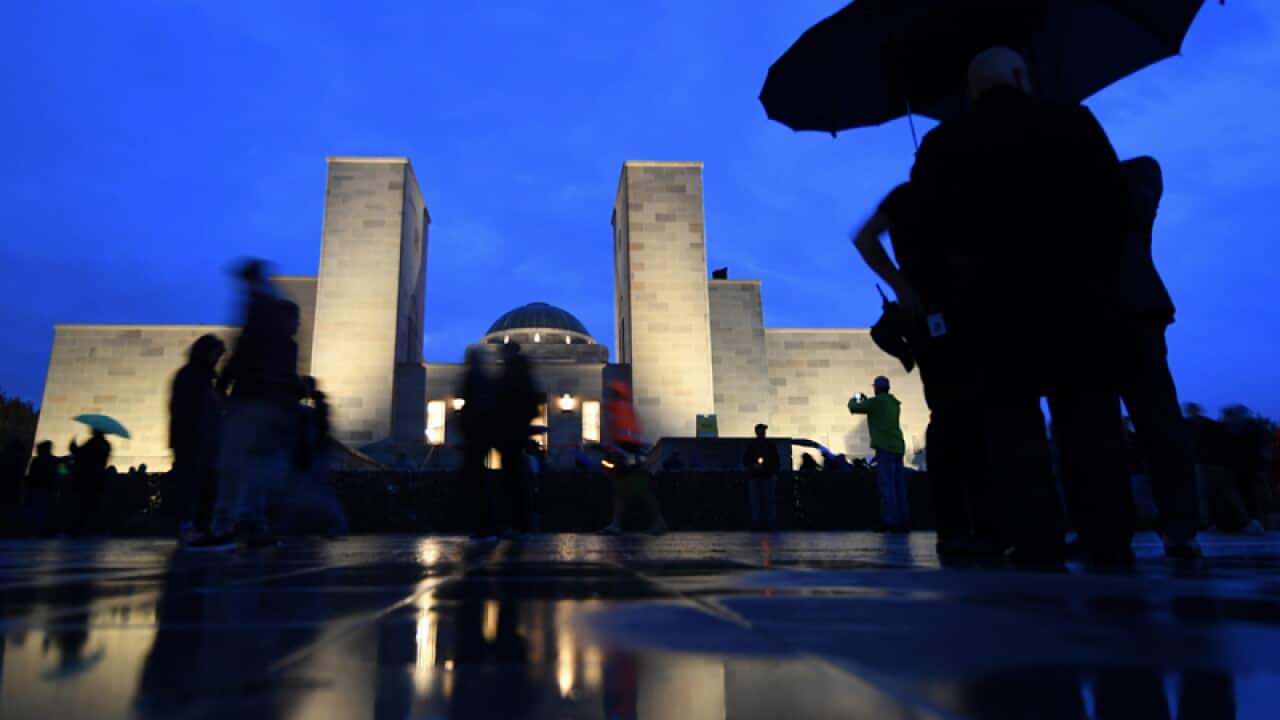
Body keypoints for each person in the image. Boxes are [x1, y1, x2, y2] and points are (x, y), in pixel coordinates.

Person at [909, 47, 1134, 563]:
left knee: (1012, 429)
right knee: (1088, 420)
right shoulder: (1071, 122)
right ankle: (1107, 533)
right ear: (1018, 75)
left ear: (972, 89)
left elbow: (921, 238)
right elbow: (1115, 205)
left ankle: (1035, 536)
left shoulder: (944, 144)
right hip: (1075, 302)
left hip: (991, 313)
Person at [853, 182, 1002, 554]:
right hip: (959, 318)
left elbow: (866, 239)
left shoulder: (909, 196)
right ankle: (983, 523)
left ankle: (956, 527)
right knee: (971, 418)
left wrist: (904, 290)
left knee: (950, 420)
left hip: (935, 320)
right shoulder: (964, 195)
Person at [1107, 156, 1201, 557]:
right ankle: (1108, 525)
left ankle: (1178, 522)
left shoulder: (1130, 176)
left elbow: (1144, 186)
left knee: (1157, 419)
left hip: (1130, 308)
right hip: (1091, 313)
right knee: (1098, 427)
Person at [202, 260, 303, 549]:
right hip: (266, 404)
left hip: (252, 402)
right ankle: (248, 522)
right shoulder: (278, 330)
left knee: (238, 464)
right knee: (253, 466)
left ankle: (229, 524)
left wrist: (222, 385)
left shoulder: (260, 311)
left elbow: (243, 350)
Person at [169, 334, 226, 545]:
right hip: (192, 439)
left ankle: (203, 528)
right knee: (191, 486)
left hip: (208, 440)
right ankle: (188, 528)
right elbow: (183, 410)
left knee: (208, 486)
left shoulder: (208, 379)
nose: (218, 359)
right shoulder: (190, 376)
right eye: (216, 354)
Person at [598, 380, 667, 535]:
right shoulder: (624, 408)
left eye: (611, 393)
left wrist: (614, 451)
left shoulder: (619, 409)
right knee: (624, 490)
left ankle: (656, 523)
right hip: (629, 455)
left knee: (636, 491)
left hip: (627, 456)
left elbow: (623, 435)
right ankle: (619, 524)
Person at [848, 377, 909, 532]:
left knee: (887, 486)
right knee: (899, 487)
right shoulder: (894, 403)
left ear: (876, 388)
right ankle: (904, 520)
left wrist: (855, 397)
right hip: (898, 447)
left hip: (885, 448)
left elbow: (853, 407)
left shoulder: (875, 403)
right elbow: (878, 409)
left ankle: (890, 521)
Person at [495, 343, 540, 536]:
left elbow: (512, 400)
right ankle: (519, 523)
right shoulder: (520, 370)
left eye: (504, 352)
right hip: (514, 429)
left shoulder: (514, 372)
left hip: (511, 430)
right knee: (515, 474)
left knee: (512, 475)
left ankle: (517, 524)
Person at [458, 348, 500, 540]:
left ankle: (486, 526)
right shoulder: (481, 377)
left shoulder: (476, 378)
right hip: (478, 435)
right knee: (477, 479)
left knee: (477, 479)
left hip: (476, 435)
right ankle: (484, 525)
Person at [69, 430, 111, 535]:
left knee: (84, 504)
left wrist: (73, 445)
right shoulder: (106, 445)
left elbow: (79, 453)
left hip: (86, 479)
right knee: (93, 504)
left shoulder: (93, 443)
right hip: (97, 479)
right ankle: (95, 527)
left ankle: (81, 528)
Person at [742, 424, 780, 531]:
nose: (763, 433)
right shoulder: (757, 445)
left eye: (763, 431)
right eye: (761, 431)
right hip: (758, 476)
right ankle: (762, 523)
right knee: (760, 501)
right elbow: (746, 460)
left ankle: (766, 523)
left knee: (765, 501)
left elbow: (776, 461)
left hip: (764, 476)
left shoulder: (765, 445)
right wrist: (753, 465)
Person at [25, 441, 59, 535]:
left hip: (36, 488)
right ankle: (42, 528)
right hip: (47, 488)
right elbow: (58, 474)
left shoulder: (37, 460)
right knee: (44, 510)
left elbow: (31, 475)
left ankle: (33, 528)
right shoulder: (53, 461)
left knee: (35, 509)